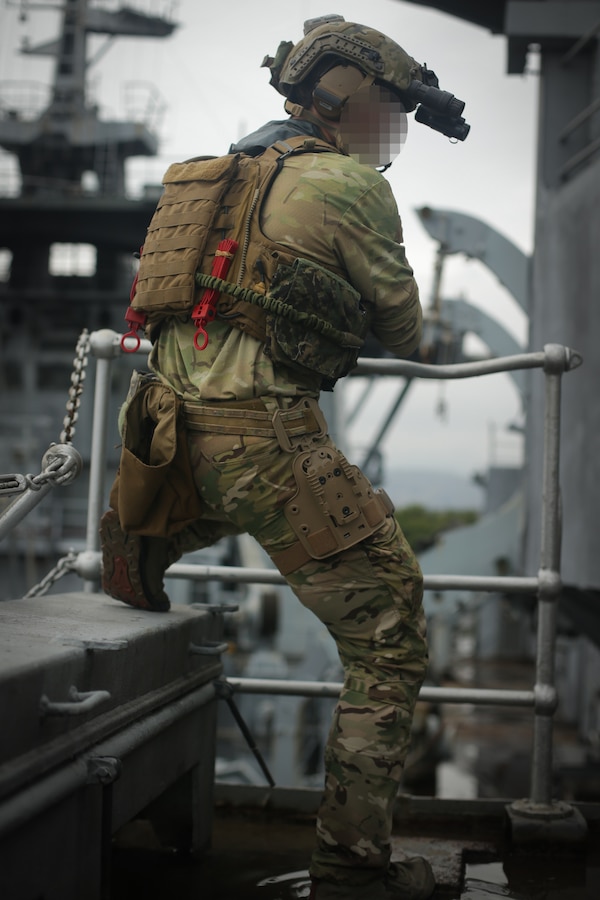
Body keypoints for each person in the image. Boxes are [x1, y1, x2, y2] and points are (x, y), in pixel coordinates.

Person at [101, 14, 468, 900]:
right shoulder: (349, 185)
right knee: (390, 638)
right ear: (349, 102)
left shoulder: (211, 173)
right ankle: (351, 868)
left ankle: (139, 545)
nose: (392, 136)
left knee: (196, 518)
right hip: (267, 441)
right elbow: (405, 328)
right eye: (389, 114)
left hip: (160, 430)